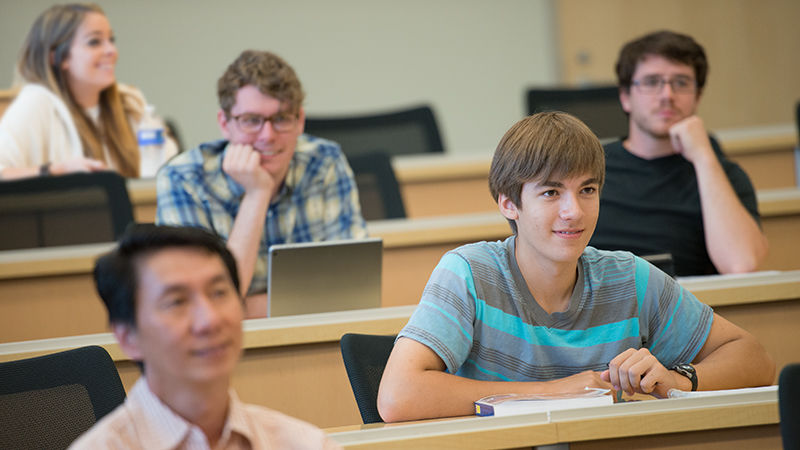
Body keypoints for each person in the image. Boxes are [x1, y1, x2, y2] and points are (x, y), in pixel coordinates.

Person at [376, 112, 775, 423]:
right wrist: (557, 391)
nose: (574, 211)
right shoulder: (468, 273)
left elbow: (754, 359)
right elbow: (397, 397)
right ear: (508, 204)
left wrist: (678, 380)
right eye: (551, 192)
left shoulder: (631, 278)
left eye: (587, 190)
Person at [70, 224, 340, 449]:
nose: (209, 320)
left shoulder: (305, 444)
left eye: (219, 293)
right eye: (177, 302)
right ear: (129, 338)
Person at [156, 50, 367, 318]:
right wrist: (257, 194)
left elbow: (355, 293)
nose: (268, 136)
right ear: (225, 123)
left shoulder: (324, 162)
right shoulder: (182, 179)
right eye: (251, 121)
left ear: (300, 120)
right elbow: (204, 310)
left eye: (281, 119)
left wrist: (250, 307)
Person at [589, 30, 767, 276]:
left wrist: (703, 156)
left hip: (689, 310)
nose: (667, 96)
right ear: (625, 97)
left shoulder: (723, 174)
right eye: (652, 82)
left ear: (697, 96)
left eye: (681, 83)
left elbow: (741, 264)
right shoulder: (590, 168)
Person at [0, 3, 177, 180]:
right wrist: (55, 171)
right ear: (58, 57)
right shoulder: (36, 102)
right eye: (94, 42)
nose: (111, 51)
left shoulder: (129, 102)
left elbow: (169, 166)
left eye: (111, 40)